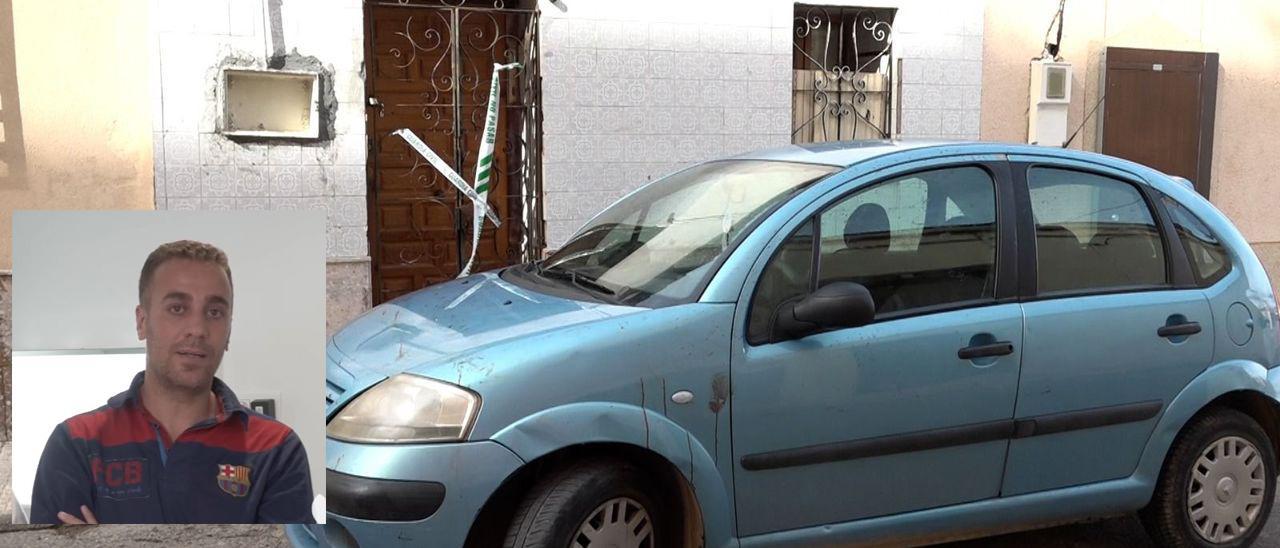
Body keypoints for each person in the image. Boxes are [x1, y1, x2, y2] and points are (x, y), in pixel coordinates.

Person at [30, 240, 314, 524]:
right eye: (178, 308)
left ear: (228, 331)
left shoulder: (277, 449)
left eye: (214, 312)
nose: (198, 329)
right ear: (142, 322)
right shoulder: (75, 444)